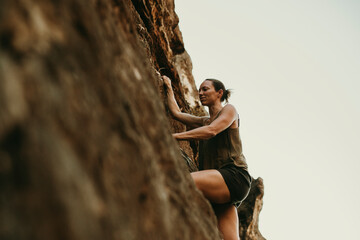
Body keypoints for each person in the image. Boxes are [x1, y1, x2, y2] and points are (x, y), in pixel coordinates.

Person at [163, 75, 252, 240]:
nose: (201, 93)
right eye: (199, 90)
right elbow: (176, 113)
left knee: (184, 181)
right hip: (222, 186)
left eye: (205, 89)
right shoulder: (204, 121)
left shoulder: (229, 110)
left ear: (219, 93)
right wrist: (168, 86)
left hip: (234, 176)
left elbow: (211, 131)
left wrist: (172, 137)